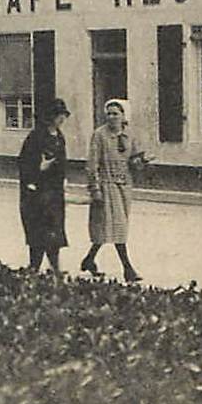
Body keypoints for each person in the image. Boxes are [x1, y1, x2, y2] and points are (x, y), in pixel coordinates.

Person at [81, 99, 146, 282]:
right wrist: (95, 190)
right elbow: (92, 164)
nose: (111, 117)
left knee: (108, 228)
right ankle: (128, 269)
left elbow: (134, 160)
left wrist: (141, 163)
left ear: (124, 116)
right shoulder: (99, 135)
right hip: (106, 185)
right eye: (108, 113)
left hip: (124, 187)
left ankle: (89, 260)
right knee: (118, 228)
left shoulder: (130, 136)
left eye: (115, 113)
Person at [18, 98, 70, 272]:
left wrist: (63, 178)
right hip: (37, 192)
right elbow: (24, 162)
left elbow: (62, 161)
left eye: (63, 115)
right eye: (58, 115)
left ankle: (55, 268)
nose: (61, 119)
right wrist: (38, 168)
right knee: (38, 232)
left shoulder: (60, 137)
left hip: (54, 193)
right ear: (49, 116)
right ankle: (34, 267)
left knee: (54, 231)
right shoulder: (36, 136)